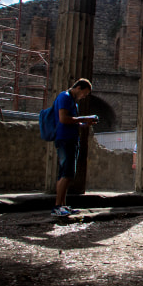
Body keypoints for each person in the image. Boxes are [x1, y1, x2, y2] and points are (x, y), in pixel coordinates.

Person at [52, 78, 97, 217]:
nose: (84, 97)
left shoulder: (72, 101)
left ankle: (63, 205)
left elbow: (72, 122)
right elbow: (63, 119)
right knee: (66, 173)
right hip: (65, 139)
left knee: (67, 173)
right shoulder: (64, 97)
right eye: (84, 93)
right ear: (78, 88)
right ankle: (57, 206)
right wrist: (84, 118)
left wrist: (85, 124)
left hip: (71, 139)